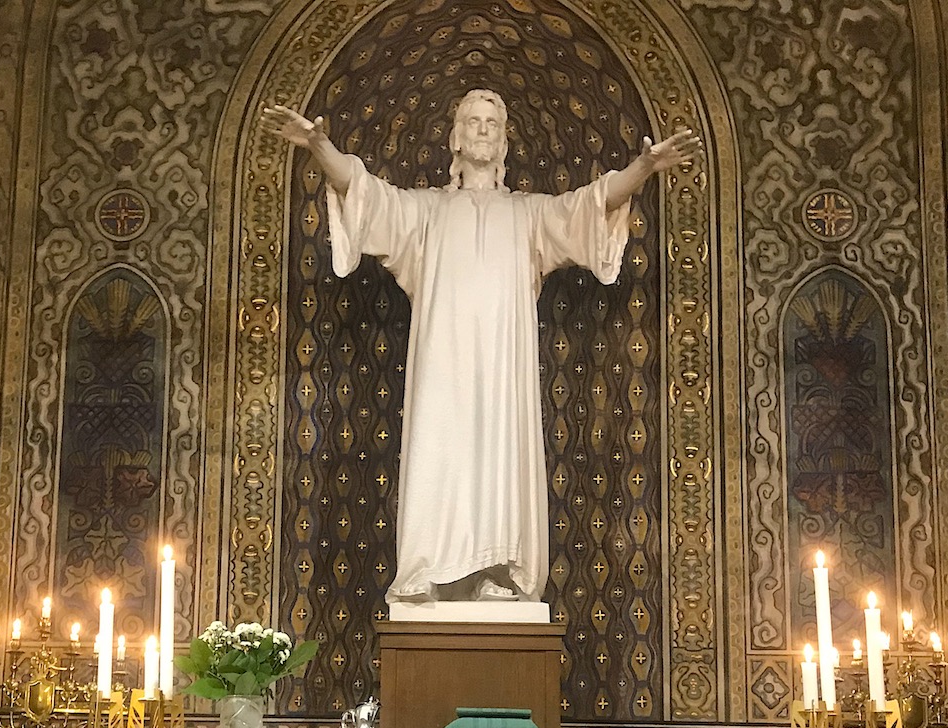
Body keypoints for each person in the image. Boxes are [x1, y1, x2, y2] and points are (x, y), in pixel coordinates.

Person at [265, 91, 701, 605]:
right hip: (442, 366)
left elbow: (593, 203)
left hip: (502, 365)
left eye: (493, 122)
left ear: (505, 141)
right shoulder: (425, 211)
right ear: (453, 138)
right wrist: (318, 146)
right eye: (472, 121)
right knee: (440, 449)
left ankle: (496, 570)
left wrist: (644, 166)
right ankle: (429, 569)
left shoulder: (528, 216)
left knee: (500, 453)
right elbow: (363, 192)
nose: (483, 129)